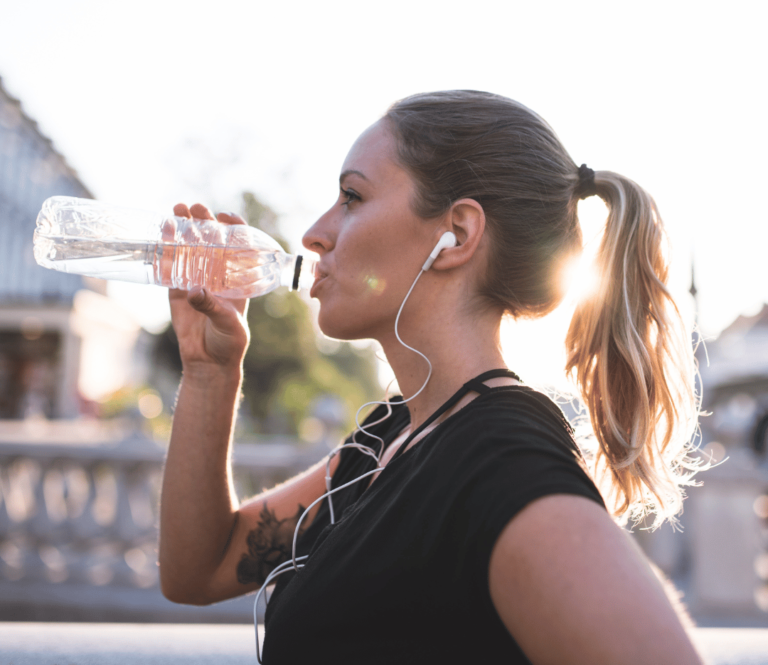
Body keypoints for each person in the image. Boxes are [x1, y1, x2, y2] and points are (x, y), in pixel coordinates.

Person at [158, 90, 704, 664]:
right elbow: (200, 569)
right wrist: (210, 372)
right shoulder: (392, 438)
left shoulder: (499, 462)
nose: (315, 234)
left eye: (352, 196)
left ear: (458, 235)